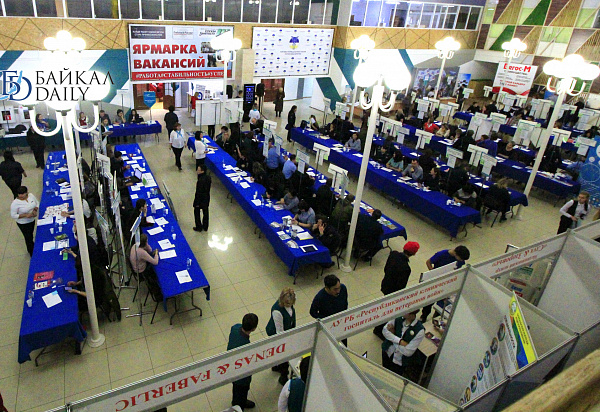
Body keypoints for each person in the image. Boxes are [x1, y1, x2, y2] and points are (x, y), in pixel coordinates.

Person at [374, 242, 420, 339]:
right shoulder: (406, 268)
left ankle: (378, 327)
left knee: (385, 308)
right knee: (388, 312)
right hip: (393, 292)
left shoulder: (393, 254)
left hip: (386, 285)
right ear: (413, 253)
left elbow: (386, 268)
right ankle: (379, 330)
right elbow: (401, 286)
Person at [420, 246, 470, 322]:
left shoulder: (460, 261)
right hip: (437, 282)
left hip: (447, 283)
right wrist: (434, 273)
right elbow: (428, 262)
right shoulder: (442, 254)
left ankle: (436, 318)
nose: (462, 261)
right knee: (430, 301)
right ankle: (424, 316)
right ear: (456, 254)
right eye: (461, 259)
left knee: (442, 303)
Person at [227, 313, 259, 410]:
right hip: (241, 375)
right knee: (242, 390)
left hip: (232, 367)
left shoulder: (235, 328)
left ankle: (240, 401)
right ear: (254, 328)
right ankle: (238, 406)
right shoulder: (245, 346)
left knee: (236, 389)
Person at [266, 288, 297, 385]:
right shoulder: (277, 311)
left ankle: (276, 366)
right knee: (283, 356)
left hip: (286, 331)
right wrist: (286, 343)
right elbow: (279, 331)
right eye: (287, 303)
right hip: (276, 334)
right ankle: (283, 377)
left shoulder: (290, 305)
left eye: (291, 303)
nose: (289, 304)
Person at [381, 309, 425, 377]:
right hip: (388, 351)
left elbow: (407, 352)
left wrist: (393, 336)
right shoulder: (398, 316)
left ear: (411, 315)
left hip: (399, 361)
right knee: (383, 371)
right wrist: (400, 341)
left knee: (393, 377)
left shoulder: (420, 330)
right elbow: (385, 331)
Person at [310, 274, 348, 345]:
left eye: (339, 288)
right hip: (329, 325)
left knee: (343, 342)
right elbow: (312, 312)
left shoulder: (343, 288)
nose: (338, 291)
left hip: (341, 322)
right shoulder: (320, 297)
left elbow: (345, 303)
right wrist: (325, 320)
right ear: (327, 288)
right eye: (335, 289)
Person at [10, 186, 38, 256]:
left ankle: (33, 247)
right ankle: (31, 252)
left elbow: (37, 203)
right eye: (19, 194)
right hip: (23, 223)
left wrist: (35, 210)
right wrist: (25, 215)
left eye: (22, 194)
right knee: (28, 238)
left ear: (26, 193)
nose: (21, 196)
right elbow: (13, 215)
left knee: (31, 235)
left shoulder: (31, 196)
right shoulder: (15, 203)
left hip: (32, 220)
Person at [193, 163, 212, 232]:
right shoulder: (208, 177)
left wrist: (196, 202)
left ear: (202, 171)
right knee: (205, 212)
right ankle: (205, 226)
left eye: (198, 170)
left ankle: (199, 227)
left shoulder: (200, 181)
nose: (197, 171)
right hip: (206, 198)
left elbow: (199, 192)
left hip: (200, 199)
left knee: (196, 212)